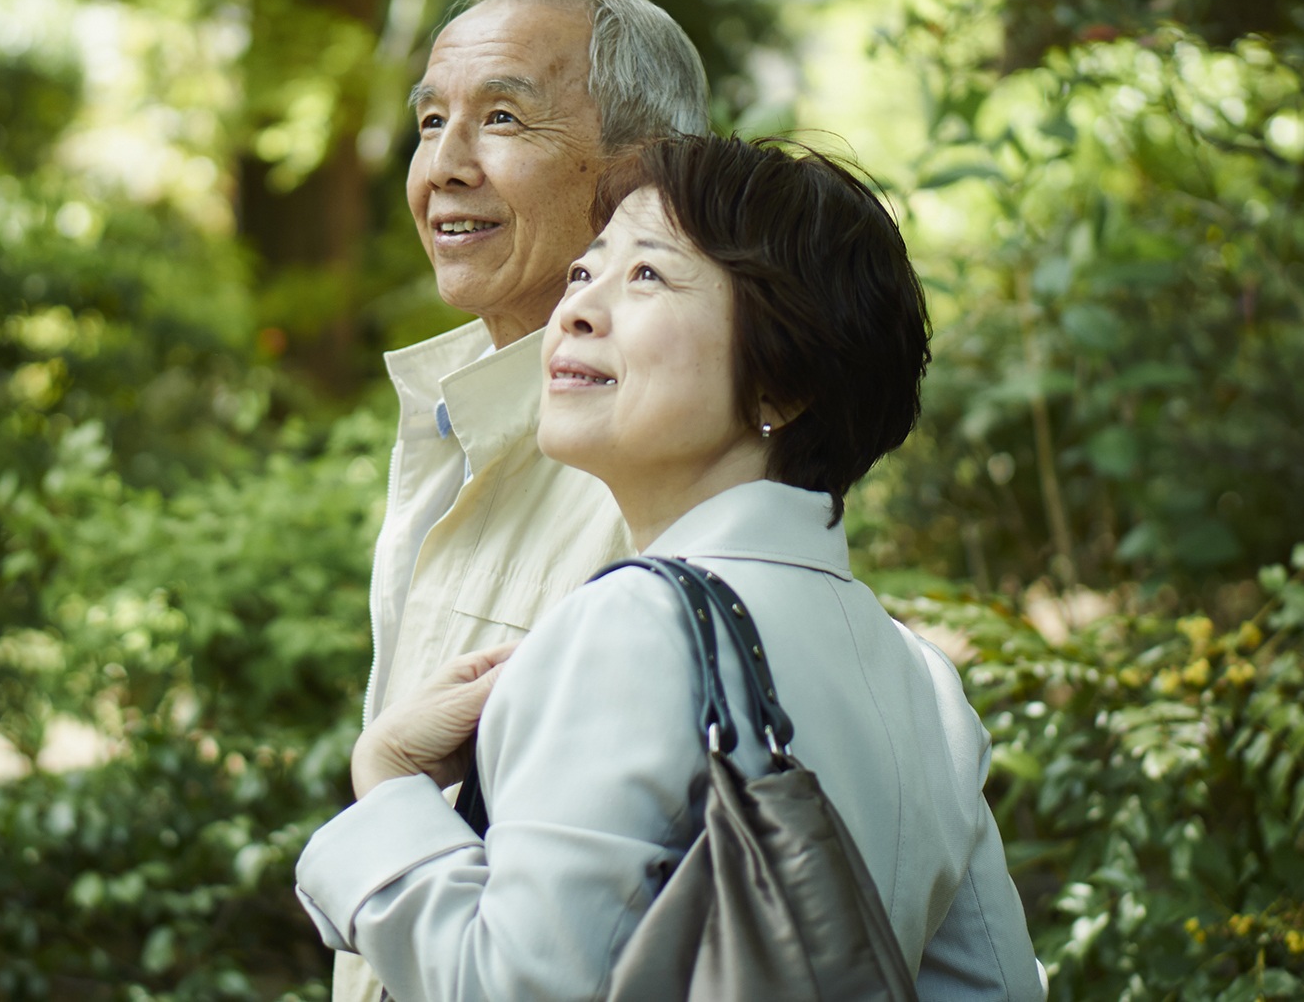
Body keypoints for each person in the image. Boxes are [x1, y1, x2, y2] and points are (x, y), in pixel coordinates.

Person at [297, 135, 1044, 1000]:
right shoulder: (923, 682)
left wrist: (386, 782)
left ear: (783, 384)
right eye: (585, 272)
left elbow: (512, 986)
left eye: (647, 275)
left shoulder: (634, 624)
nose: (575, 311)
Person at [337, 0, 712, 1002]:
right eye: (426, 123)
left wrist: (381, 786)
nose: (442, 168)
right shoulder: (456, 416)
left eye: (501, 117)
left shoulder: (657, 468)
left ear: (641, 172)